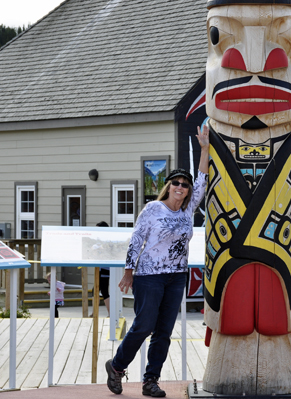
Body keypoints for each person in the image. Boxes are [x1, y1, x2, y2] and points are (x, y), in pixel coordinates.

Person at [105, 125, 209, 397]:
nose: (181, 187)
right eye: (176, 182)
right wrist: (128, 273)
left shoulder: (188, 210)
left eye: (184, 185)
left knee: (163, 331)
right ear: (168, 186)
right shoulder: (153, 209)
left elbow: (202, 178)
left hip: (177, 276)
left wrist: (205, 148)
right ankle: (116, 367)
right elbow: (136, 240)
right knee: (144, 324)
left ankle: (151, 380)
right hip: (149, 276)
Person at [95, 221, 111, 316]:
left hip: (105, 268)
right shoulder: (100, 240)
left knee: (104, 291)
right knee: (95, 290)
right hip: (100, 269)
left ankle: (110, 313)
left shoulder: (106, 241)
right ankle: (94, 312)